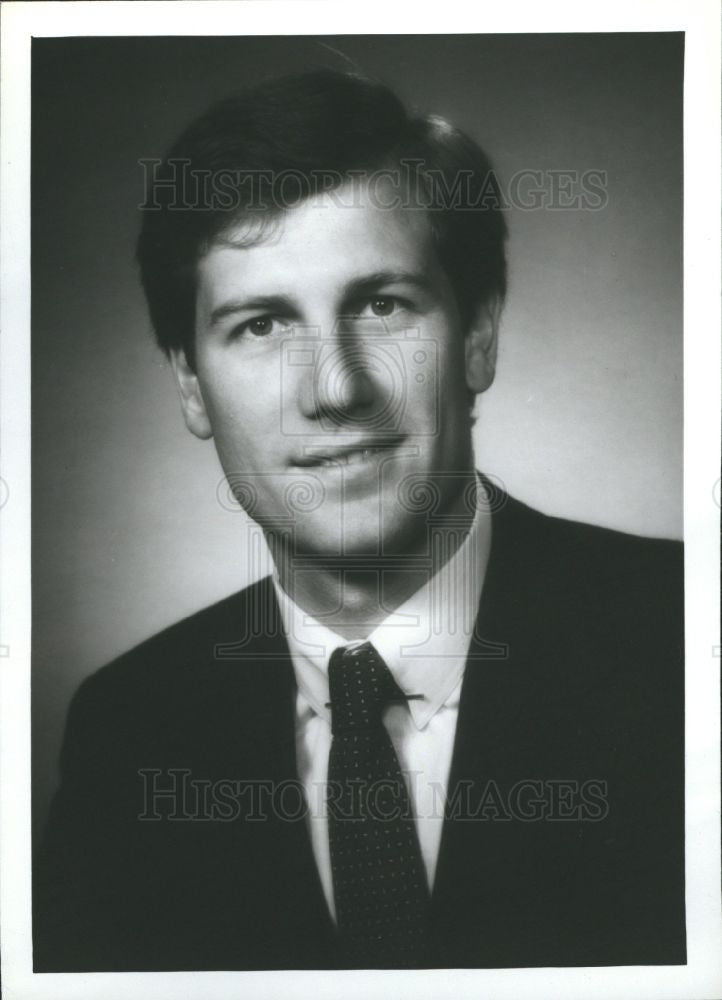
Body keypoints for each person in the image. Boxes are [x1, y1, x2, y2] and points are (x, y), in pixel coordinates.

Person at [33, 69, 685, 972]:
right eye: (261, 325)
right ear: (190, 382)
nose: (334, 389)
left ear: (478, 334)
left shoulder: (688, 643)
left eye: (382, 306)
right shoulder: (129, 731)